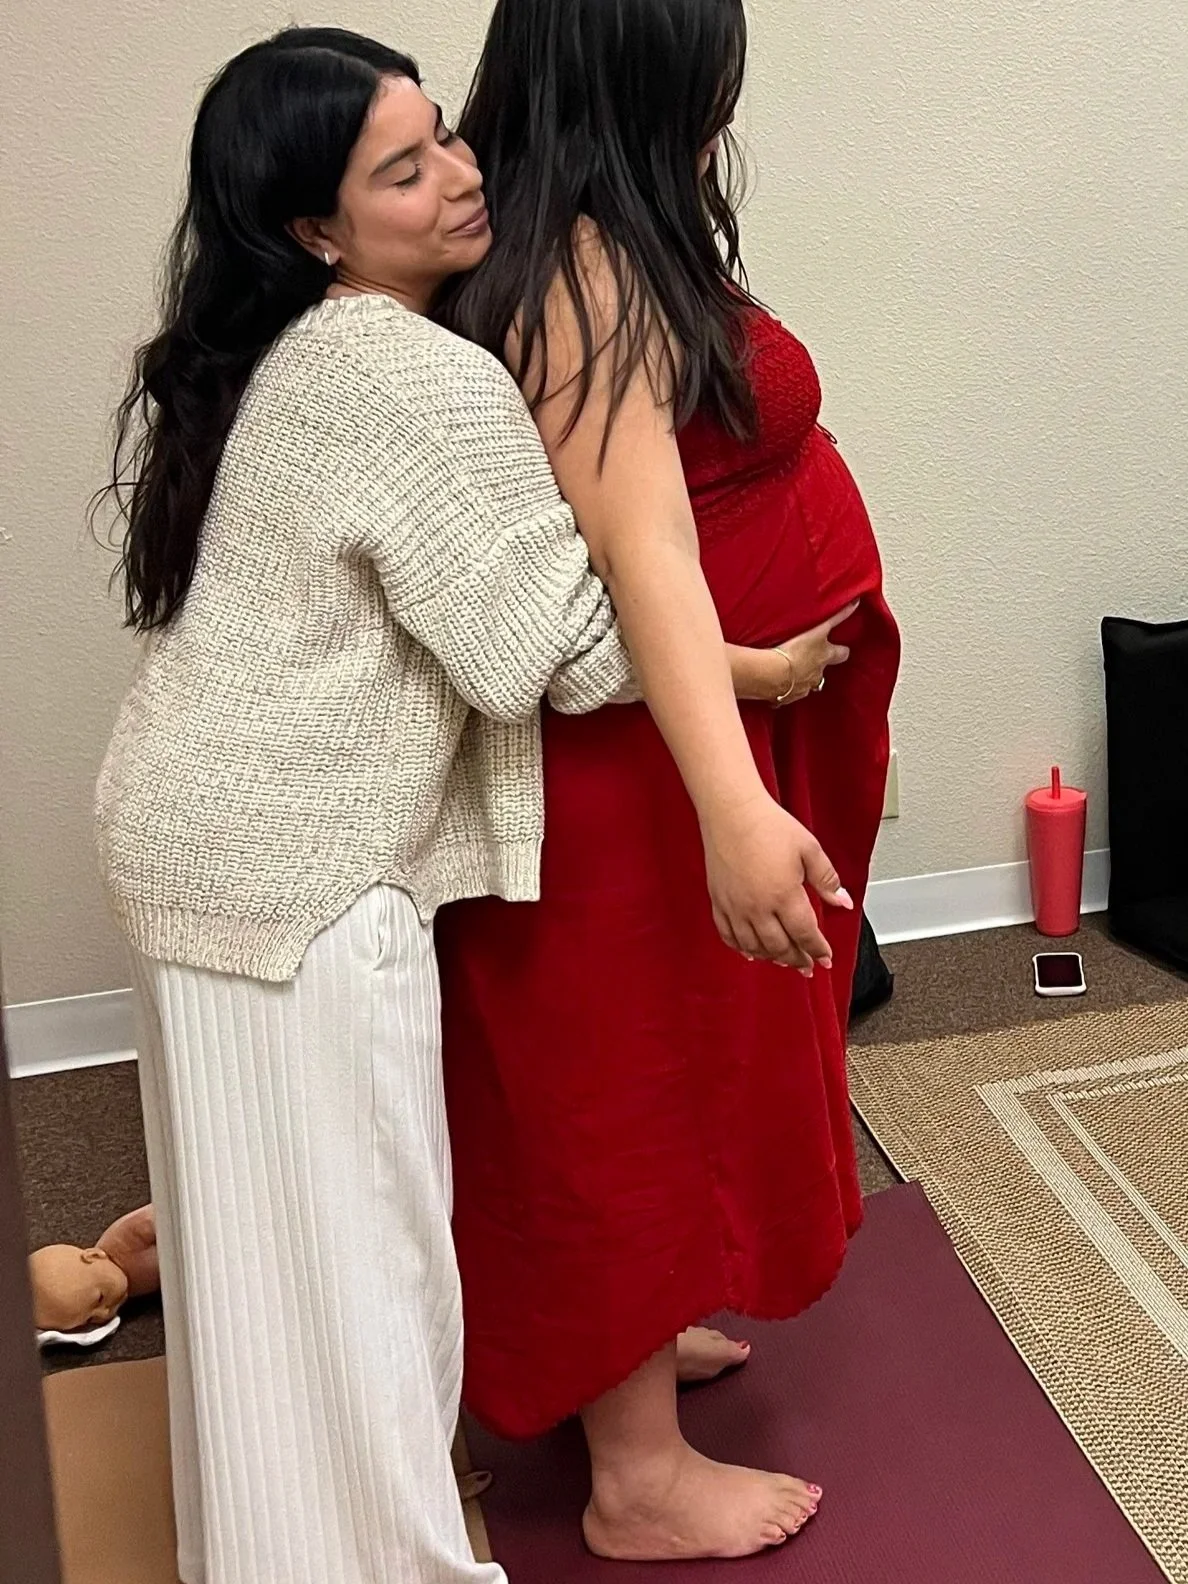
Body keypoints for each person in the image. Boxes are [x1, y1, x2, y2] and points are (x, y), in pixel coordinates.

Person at [93, 26, 843, 1584]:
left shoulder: (331, 346)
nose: (461, 173)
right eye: (404, 166)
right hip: (292, 876)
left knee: (273, 1266)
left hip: (211, 850)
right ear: (317, 228)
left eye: (445, 135)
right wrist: (750, 701)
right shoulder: (404, 373)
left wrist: (748, 666)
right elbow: (547, 643)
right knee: (357, 1273)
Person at [435, 0, 902, 1563]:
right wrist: (732, 805)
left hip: (675, 738)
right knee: (619, 1082)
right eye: (707, 72)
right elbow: (642, 557)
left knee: (681, 1073)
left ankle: (619, 1349)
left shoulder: (591, 232)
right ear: (641, 80)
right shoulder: (576, 273)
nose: (725, 98)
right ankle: (635, 1476)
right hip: (629, 770)